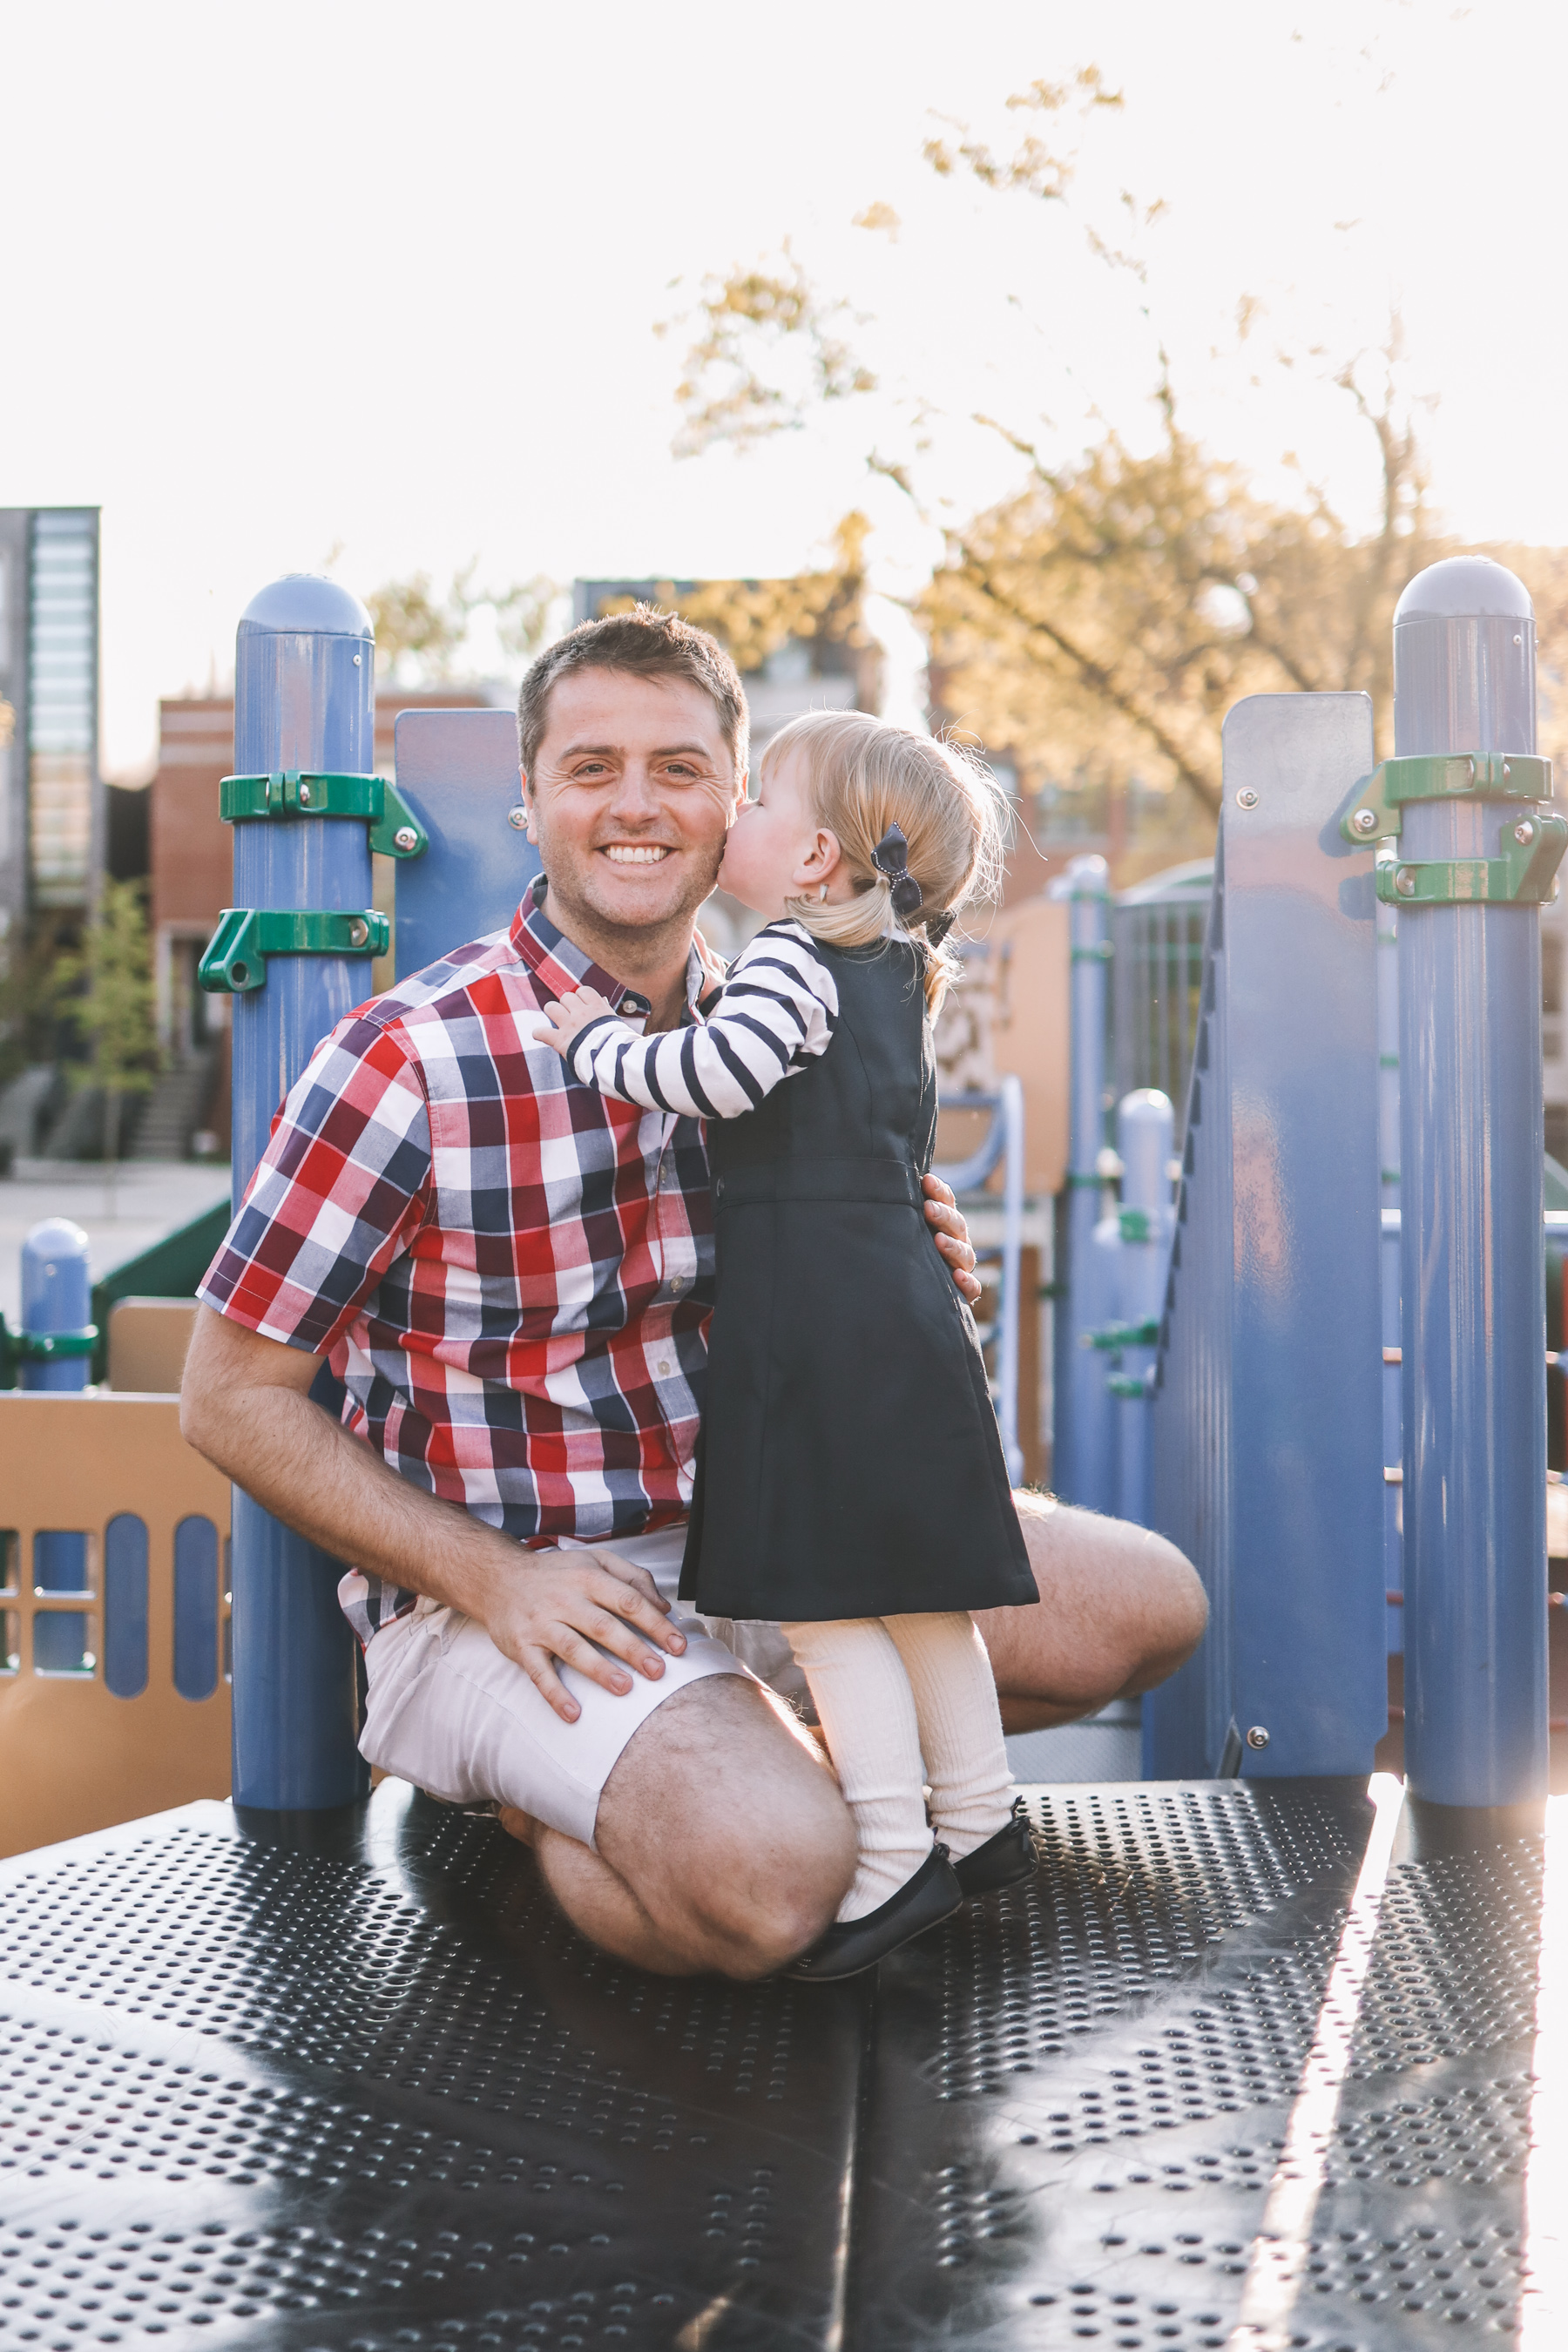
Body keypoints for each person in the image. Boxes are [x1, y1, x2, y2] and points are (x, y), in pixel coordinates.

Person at [181, 602, 1207, 1983]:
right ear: (531, 800)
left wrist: (910, 1260)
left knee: (1150, 1607)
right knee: (781, 1878)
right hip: (528, 1585)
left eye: (678, 768)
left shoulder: (795, 1018)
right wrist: (491, 1581)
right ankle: (561, 1795)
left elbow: (838, 1264)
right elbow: (230, 1400)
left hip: (773, 1524)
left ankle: (740, 1752)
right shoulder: (407, 1060)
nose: (634, 805)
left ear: (741, 807)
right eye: (590, 767)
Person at [534, 711, 1037, 1977]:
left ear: (815, 859)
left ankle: (888, 1856)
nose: (736, 821)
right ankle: (979, 1817)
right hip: (893, 1309)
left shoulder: (789, 961)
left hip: (814, 1319)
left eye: (757, 805)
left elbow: (721, 1077)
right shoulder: (894, 975)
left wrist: (591, 1044)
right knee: (918, 1594)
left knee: (824, 1606)